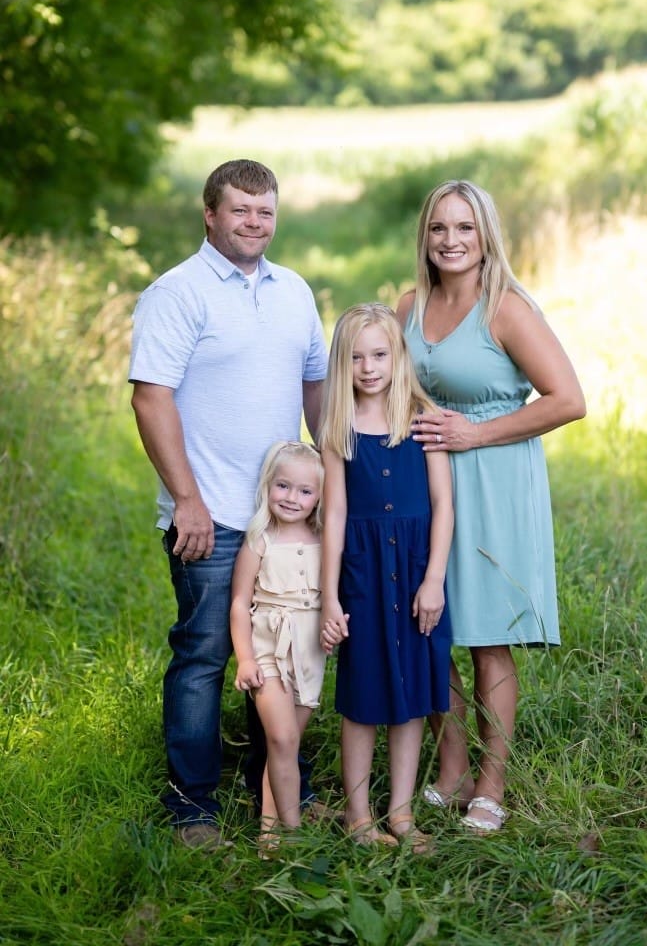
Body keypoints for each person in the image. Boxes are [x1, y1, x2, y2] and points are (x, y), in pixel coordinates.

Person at [128, 159, 328, 849]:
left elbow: (315, 389)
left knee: (288, 649)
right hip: (210, 517)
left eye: (265, 211)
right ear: (209, 214)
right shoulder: (175, 293)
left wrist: (335, 477)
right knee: (207, 654)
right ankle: (193, 807)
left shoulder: (294, 292)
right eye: (240, 210)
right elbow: (149, 397)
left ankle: (277, 786)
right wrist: (186, 499)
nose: (254, 222)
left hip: (289, 517)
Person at [396, 179, 586, 835]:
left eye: (464, 229)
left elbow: (566, 398)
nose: (450, 241)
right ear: (424, 235)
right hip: (426, 484)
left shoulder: (504, 308)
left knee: (485, 637)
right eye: (438, 228)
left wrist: (473, 433)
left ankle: (492, 783)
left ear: (485, 238)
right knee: (432, 626)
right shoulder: (407, 306)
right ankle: (451, 768)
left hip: (494, 478)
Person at [320, 303, 454, 853]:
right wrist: (329, 596)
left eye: (379, 354)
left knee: (412, 696)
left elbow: (444, 505)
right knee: (364, 693)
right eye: (356, 357)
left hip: (416, 573)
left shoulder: (422, 418)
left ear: (398, 356)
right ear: (342, 365)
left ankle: (400, 812)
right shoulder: (338, 428)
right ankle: (358, 816)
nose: (369, 367)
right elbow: (333, 515)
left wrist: (435, 579)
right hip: (365, 576)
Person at [229, 441, 326, 858]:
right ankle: (294, 830)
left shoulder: (324, 537)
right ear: (268, 485)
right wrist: (245, 658)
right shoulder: (259, 538)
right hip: (269, 646)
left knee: (284, 747)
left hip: (310, 651)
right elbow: (238, 602)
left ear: (320, 497)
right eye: (283, 486)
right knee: (283, 737)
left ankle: (269, 832)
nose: (292, 498)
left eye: (305, 491)